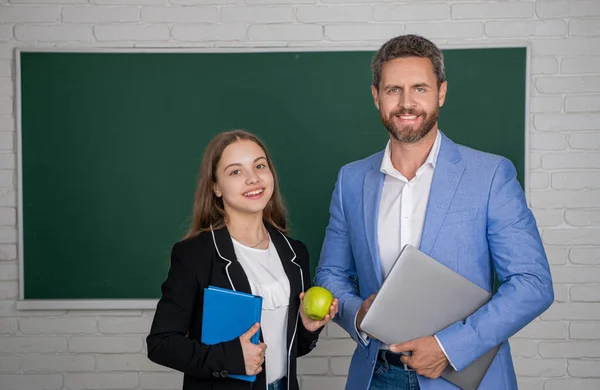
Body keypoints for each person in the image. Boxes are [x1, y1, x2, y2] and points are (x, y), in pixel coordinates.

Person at [314, 34, 554, 390]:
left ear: (441, 92)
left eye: (420, 89)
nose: (406, 102)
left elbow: (533, 284)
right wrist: (358, 314)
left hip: (462, 376)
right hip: (376, 375)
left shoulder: (490, 175)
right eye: (393, 89)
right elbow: (331, 273)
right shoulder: (351, 180)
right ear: (376, 96)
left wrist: (449, 346)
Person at [147, 130, 338, 390]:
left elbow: (293, 349)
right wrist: (232, 359)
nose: (253, 179)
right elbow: (161, 343)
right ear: (215, 187)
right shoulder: (195, 255)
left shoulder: (294, 253)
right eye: (235, 172)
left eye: (259, 166)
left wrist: (307, 327)